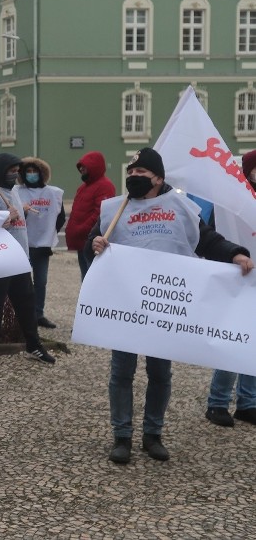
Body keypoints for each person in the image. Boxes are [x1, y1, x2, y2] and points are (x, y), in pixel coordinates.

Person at [88, 147, 253, 464]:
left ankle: (153, 435)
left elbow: (206, 239)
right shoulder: (114, 210)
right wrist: (94, 245)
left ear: (158, 178)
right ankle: (121, 436)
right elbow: (91, 250)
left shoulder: (180, 207)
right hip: (126, 304)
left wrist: (235, 254)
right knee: (121, 373)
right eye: (131, 173)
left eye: (141, 174)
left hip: (164, 307)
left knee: (160, 373)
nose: (134, 178)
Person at [0, 153, 56, 366]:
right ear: (0, 170)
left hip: (19, 258)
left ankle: (33, 346)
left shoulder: (13, 191)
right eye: (10, 170)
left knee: (26, 305)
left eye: (16, 170)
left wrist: (21, 212)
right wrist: (3, 219)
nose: (14, 174)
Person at [204, 149, 256, 427]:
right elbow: (214, 237)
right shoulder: (228, 204)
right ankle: (218, 403)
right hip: (236, 278)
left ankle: (248, 403)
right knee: (233, 341)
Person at [16, 157, 65, 329]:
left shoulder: (54, 193)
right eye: (27, 172)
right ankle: (24, 315)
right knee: (23, 281)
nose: (31, 174)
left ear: (41, 173)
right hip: (22, 243)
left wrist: (50, 232)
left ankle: (39, 314)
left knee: (41, 281)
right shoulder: (17, 192)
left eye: (34, 171)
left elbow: (60, 217)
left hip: (43, 246)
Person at [65, 151, 115, 280]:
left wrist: (80, 230)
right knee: (85, 277)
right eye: (80, 167)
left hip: (92, 242)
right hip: (82, 241)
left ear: (94, 166)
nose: (81, 169)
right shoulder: (83, 187)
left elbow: (100, 214)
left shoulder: (105, 186)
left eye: (84, 166)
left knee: (92, 279)